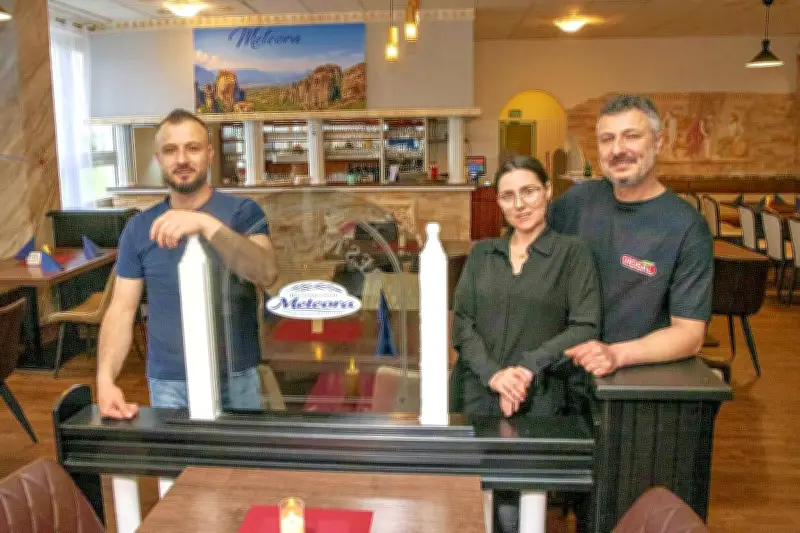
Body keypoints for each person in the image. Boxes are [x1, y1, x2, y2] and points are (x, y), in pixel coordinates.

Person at [451, 155, 601, 533]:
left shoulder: (573, 253)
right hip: (476, 391)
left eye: (529, 191)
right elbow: (462, 323)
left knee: (517, 510)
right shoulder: (483, 254)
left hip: (538, 396)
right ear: (498, 202)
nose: (519, 204)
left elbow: (585, 326)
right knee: (467, 504)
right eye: (508, 196)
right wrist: (494, 375)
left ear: (548, 191)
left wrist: (526, 368)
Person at [97, 109, 279, 420]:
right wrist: (105, 378)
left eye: (192, 148)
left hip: (238, 377)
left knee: (242, 455)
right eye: (170, 150)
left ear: (209, 154)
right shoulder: (139, 228)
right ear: (159, 159)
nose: (182, 159)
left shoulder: (243, 212)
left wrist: (205, 224)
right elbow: (122, 310)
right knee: (178, 455)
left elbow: (266, 273)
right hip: (169, 381)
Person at [548, 94, 713, 378]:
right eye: (607, 139)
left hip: (632, 378)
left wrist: (616, 355)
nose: (617, 149)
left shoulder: (686, 227)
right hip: (563, 373)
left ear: (658, 142)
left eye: (631, 136)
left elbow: (689, 334)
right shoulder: (576, 202)